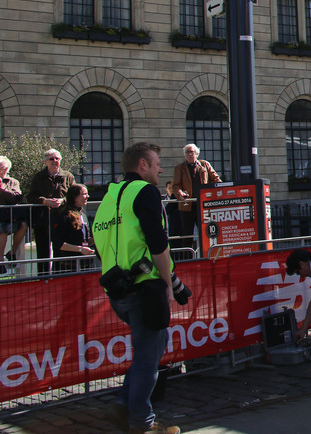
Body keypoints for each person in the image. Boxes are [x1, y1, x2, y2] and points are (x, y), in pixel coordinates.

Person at [91, 142, 189, 434]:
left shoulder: (110, 196)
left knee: (148, 349)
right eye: (156, 164)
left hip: (116, 289)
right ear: (142, 165)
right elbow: (157, 242)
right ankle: (142, 423)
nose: (161, 170)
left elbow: (99, 242)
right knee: (148, 358)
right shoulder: (145, 192)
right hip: (145, 289)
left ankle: (123, 404)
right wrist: (168, 283)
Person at [27, 148, 75, 275]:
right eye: (51, 159)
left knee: (61, 249)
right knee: (43, 251)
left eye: (57, 158)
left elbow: (74, 196)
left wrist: (62, 201)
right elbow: (30, 196)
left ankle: (59, 277)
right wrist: (44, 201)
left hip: (62, 219)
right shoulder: (38, 177)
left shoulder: (68, 176)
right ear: (45, 162)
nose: (54, 161)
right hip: (43, 220)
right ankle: (43, 279)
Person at [171, 144, 221, 250]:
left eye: (192, 152)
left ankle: (207, 254)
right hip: (187, 206)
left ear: (197, 153)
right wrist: (180, 194)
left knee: (206, 232)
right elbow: (175, 185)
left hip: (203, 205)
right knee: (187, 235)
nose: (190, 154)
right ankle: (188, 257)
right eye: (187, 152)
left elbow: (216, 180)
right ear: (184, 155)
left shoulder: (205, 165)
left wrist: (214, 192)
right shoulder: (179, 168)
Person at [51, 183, 96, 273]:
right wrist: (80, 249)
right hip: (68, 266)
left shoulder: (82, 215)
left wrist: (97, 239)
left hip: (84, 265)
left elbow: (84, 239)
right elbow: (57, 243)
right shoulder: (64, 216)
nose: (88, 196)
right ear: (75, 197)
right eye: (84, 194)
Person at [0, 155, 28, 274]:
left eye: (1, 167)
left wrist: (2, 189)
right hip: (1, 220)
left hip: (10, 216)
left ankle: (12, 252)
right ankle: (1, 260)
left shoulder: (13, 182)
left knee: (23, 225)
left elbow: (16, 198)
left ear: (7, 168)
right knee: (2, 230)